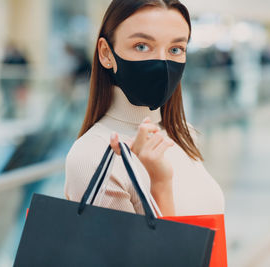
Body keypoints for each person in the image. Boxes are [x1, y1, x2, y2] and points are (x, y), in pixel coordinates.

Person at [64, 0, 225, 217]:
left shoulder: (184, 133)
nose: (162, 61)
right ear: (106, 53)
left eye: (175, 49)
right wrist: (159, 184)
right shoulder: (92, 157)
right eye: (142, 46)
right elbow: (154, 251)